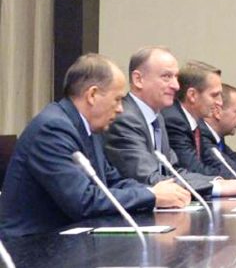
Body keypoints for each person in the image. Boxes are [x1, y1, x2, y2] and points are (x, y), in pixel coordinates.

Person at [0, 54, 190, 237]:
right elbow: (83, 201)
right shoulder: (52, 129)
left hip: (68, 239)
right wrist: (151, 195)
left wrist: (160, 191)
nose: (121, 108)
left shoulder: (89, 128)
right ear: (92, 95)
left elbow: (111, 181)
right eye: (117, 99)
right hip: (32, 247)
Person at [103, 46, 236, 196]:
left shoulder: (157, 117)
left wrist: (217, 182)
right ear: (138, 79)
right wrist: (215, 187)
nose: (176, 86)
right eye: (166, 77)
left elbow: (174, 170)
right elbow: (148, 178)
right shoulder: (125, 119)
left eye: (176, 77)